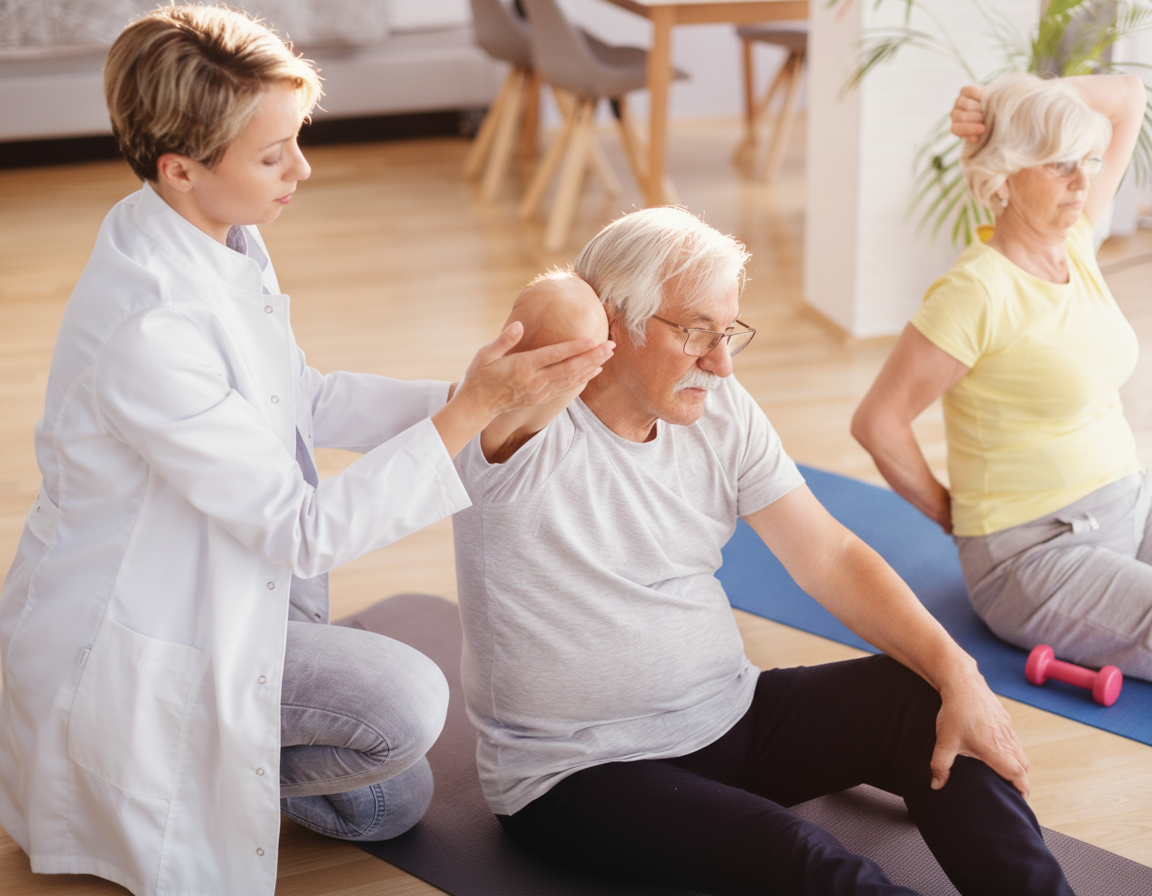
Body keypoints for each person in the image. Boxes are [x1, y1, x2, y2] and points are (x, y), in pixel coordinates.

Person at [0, 7, 611, 896]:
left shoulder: (214, 232)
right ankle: (194, 774)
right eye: (273, 154)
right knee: (407, 705)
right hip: (146, 627)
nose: (303, 168)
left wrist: (462, 399)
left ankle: (241, 759)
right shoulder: (151, 324)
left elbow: (303, 395)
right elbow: (302, 530)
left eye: (298, 138)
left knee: (388, 804)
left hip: (228, 576)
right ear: (181, 169)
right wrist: (474, 411)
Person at [450, 207, 1073, 895]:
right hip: (580, 773)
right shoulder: (519, 430)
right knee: (801, 855)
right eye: (693, 332)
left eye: (728, 333)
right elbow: (558, 301)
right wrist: (584, 305)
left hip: (733, 715)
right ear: (611, 324)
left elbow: (829, 556)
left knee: (928, 700)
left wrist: (962, 677)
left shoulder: (716, 403)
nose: (718, 361)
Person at [851, 72, 1150, 680]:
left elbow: (1127, 97)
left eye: (1087, 161)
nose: (1083, 180)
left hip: (1129, 509)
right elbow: (878, 423)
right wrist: (952, 515)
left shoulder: (1076, 240)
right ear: (1005, 177)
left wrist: (1007, 95)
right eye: (1060, 164)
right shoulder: (976, 292)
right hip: (1037, 556)